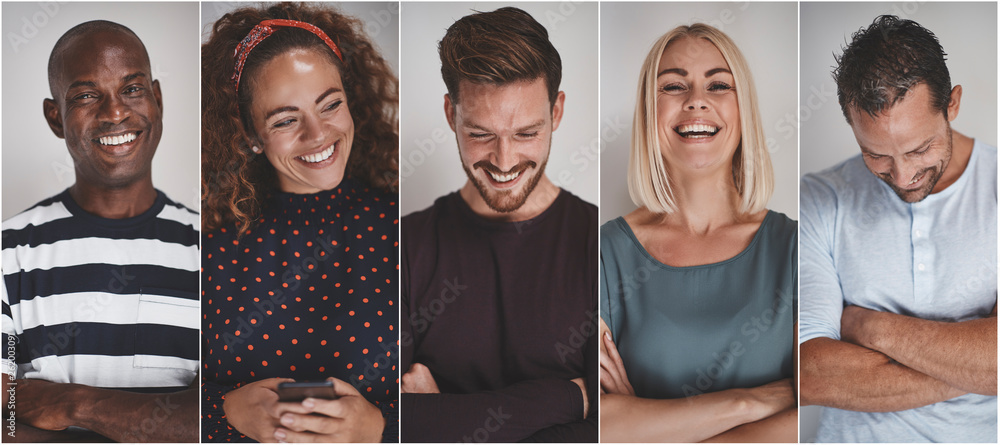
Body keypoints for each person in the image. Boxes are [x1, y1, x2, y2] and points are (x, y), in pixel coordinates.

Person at [200, 2, 399, 443]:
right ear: (251, 135)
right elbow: (161, 396)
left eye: (330, 105)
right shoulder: (206, 248)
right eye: (286, 119)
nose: (317, 134)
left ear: (352, 101)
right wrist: (222, 409)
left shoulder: (408, 229)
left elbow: (461, 396)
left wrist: (384, 426)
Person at [399, 6, 597, 442]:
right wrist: (574, 398)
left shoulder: (603, 244)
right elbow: (392, 423)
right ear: (451, 114)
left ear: (557, 112)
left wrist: (443, 417)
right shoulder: (403, 247)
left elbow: (614, 426)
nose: (504, 161)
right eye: (480, 133)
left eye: (526, 133)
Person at [799, 15, 997, 442]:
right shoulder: (818, 199)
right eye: (876, 155)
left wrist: (869, 328)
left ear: (953, 104)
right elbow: (811, 375)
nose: (904, 175)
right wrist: (978, 365)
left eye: (920, 148)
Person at [0, 20, 199, 442]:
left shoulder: (217, 250)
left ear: (157, 99)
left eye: (132, 89)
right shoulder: (7, 252)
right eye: (87, 96)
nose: (114, 112)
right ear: (55, 117)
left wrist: (75, 404)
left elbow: (214, 420)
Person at [598, 24, 797, 443]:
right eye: (673, 85)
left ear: (744, 110)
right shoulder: (602, 254)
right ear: (649, 111)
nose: (696, 102)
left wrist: (651, 424)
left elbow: (813, 414)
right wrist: (751, 403)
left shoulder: (796, 249)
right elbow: (601, 424)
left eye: (719, 85)